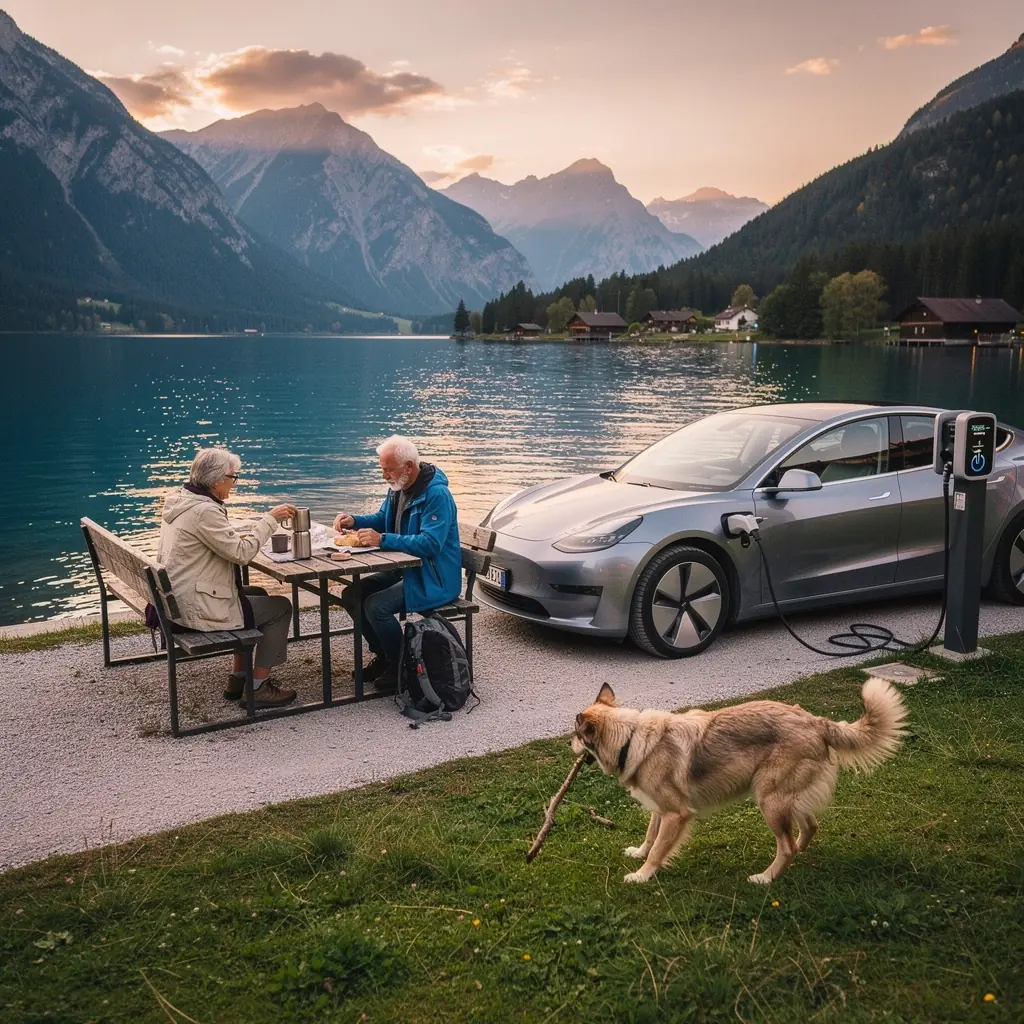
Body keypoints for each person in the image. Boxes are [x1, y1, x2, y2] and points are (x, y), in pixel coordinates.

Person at [157, 447, 298, 709]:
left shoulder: (182, 500)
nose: (235, 483)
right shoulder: (204, 511)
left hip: (177, 598)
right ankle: (258, 688)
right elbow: (241, 554)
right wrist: (270, 520)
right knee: (280, 608)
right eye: (233, 477)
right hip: (193, 608)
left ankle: (239, 678)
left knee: (257, 594)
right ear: (216, 480)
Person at [334, 435, 462, 692]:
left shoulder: (437, 494)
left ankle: (402, 666)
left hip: (434, 578)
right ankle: (386, 656)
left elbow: (431, 544)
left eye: (388, 470)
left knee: (376, 605)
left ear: (409, 467)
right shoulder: (398, 487)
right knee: (352, 594)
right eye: (383, 469)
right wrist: (355, 521)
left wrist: (383, 540)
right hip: (406, 571)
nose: (384, 476)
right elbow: (383, 518)